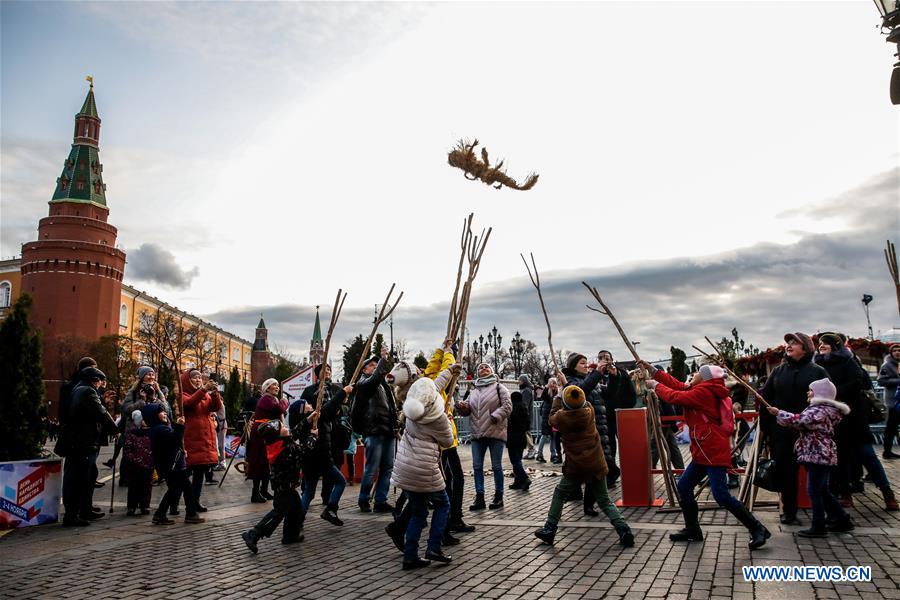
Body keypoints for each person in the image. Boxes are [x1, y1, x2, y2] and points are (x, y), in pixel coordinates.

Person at [642, 362, 771, 550]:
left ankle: (758, 529)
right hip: (703, 449)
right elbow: (678, 385)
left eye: (697, 373)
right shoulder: (702, 387)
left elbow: (675, 396)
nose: (693, 374)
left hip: (712, 449)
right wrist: (654, 371)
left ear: (705, 378)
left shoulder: (705, 392)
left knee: (721, 495)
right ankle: (693, 530)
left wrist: (655, 385)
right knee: (684, 486)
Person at [534, 384, 634, 547]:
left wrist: (558, 397)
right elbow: (577, 399)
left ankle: (550, 528)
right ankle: (624, 529)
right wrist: (567, 391)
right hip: (596, 464)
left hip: (576, 467)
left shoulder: (562, 418)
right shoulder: (589, 410)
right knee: (604, 500)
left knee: (560, 493)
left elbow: (552, 416)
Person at [814, 332, 898, 511]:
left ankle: (887, 492)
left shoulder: (849, 361)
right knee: (840, 458)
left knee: (867, 455)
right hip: (834, 417)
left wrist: (832, 393)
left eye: (825, 343)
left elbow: (859, 383)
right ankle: (845, 494)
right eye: (820, 343)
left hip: (854, 417)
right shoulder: (818, 364)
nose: (821, 346)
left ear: (835, 346)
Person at [767, 378, 853, 537]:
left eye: (811, 390)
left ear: (820, 393)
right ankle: (841, 519)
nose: (808, 392)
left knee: (814, 490)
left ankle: (818, 525)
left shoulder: (818, 410)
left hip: (816, 453)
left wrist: (779, 413)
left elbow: (799, 420)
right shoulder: (825, 409)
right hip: (821, 453)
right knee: (822, 489)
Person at [759, 332, 828, 525]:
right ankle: (789, 512)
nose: (789, 345)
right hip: (781, 433)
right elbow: (767, 399)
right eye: (788, 343)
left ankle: (831, 515)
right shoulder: (778, 372)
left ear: (805, 348)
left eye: (794, 343)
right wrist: (765, 429)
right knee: (786, 473)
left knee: (816, 477)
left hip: (809, 433)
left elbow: (828, 401)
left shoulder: (817, 372)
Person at [391, 370, 456, 570]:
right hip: (425, 468)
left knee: (418, 512)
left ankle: (410, 556)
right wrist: (448, 418)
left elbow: (431, 387)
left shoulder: (413, 408)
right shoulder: (439, 419)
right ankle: (434, 547)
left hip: (405, 466)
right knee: (443, 504)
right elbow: (447, 441)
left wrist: (450, 372)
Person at [296, 364, 353, 526]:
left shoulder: (335, 388)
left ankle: (298, 521)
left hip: (332, 438)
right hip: (319, 442)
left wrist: (340, 408)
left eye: (329, 370)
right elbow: (323, 412)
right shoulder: (309, 392)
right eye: (323, 370)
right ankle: (327, 509)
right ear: (317, 374)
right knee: (331, 480)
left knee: (321, 482)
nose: (327, 372)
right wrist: (340, 397)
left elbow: (344, 408)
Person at [61, 367, 118, 526]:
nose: (102, 384)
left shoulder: (78, 388)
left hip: (77, 440)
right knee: (80, 478)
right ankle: (72, 515)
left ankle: (83, 510)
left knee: (84, 475)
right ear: (95, 379)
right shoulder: (88, 391)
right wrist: (115, 429)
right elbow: (100, 412)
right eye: (101, 381)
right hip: (83, 441)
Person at [560, 353, 615, 516]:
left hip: (599, 428)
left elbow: (610, 393)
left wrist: (614, 377)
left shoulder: (592, 379)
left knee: (597, 469)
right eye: (582, 363)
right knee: (588, 469)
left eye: (586, 363)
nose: (586, 365)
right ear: (573, 366)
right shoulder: (570, 381)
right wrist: (597, 373)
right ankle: (574, 499)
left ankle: (589, 503)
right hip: (584, 432)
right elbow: (580, 391)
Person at [241, 420, 307, 553]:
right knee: (278, 513)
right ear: (278, 435)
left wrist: (308, 420)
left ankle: (290, 535)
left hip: (286, 486)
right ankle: (254, 533)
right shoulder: (285, 448)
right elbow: (303, 452)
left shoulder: (281, 442)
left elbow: (293, 432)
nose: (285, 426)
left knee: (296, 509)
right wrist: (312, 437)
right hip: (284, 487)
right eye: (282, 427)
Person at [456, 362, 512, 511]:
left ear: (491, 370)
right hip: (477, 433)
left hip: (495, 432)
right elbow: (468, 410)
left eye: (487, 366)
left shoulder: (500, 387)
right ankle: (479, 497)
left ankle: (498, 497)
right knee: (477, 466)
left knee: (496, 466)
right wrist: (462, 407)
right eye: (480, 367)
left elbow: (507, 406)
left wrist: (495, 416)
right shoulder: (474, 390)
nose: (483, 369)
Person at [352, 345, 399, 513]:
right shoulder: (364, 383)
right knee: (372, 468)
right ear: (364, 369)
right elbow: (374, 379)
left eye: (376, 364)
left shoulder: (384, 386)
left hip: (388, 431)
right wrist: (384, 359)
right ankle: (364, 499)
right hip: (374, 431)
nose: (375, 367)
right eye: (372, 365)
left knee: (388, 468)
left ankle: (380, 500)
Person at [144, 403, 204, 525]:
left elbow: (172, 444)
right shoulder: (160, 429)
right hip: (173, 465)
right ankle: (191, 514)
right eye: (161, 412)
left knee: (174, 490)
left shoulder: (158, 428)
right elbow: (175, 440)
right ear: (153, 415)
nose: (165, 413)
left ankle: (160, 514)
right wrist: (180, 426)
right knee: (186, 488)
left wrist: (182, 450)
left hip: (170, 465)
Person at [180, 370, 223, 511]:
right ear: (187, 380)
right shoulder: (183, 394)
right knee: (182, 477)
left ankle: (195, 501)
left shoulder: (205, 395)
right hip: (191, 438)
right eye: (194, 378)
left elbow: (216, 407)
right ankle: (171, 504)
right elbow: (189, 404)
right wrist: (204, 389)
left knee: (199, 474)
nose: (198, 380)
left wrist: (215, 393)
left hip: (204, 438)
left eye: (200, 377)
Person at [597, 350, 637, 486]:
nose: (604, 360)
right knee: (609, 447)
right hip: (606, 417)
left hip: (621, 414)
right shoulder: (597, 374)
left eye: (606, 358)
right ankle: (610, 475)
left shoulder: (620, 373)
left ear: (612, 359)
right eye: (601, 358)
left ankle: (632, 472)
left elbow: (631, 395)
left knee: (627, 445)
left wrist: (624, 408)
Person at [246, 378, 288, 503]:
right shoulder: (265, 399)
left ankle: (264, 490)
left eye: (277, 385)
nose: (277, 387)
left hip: (267, 432)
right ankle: (255, 493)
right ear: (267, 388)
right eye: (274, 385)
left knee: (266, 461)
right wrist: (285, 402)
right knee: (259, 462)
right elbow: (279, 409)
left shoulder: (272, 399)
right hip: (260, 434)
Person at [123, 409, 153, 516]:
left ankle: (144, 505)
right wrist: (134, 460)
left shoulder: (150, 432)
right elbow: (127, 449)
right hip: (134, 466)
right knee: (134, 486)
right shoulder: (132, 433)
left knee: (146, 486)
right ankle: (132, 506)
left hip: (148, 464)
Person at [878, 343, 900, 459]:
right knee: (891, 428)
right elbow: (881, 381)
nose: (897, 352)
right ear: (891, 353)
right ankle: (887, 451)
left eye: (899, 350)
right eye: (895, 350)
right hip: (893, 402)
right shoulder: (887, 365)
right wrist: (898, 381)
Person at [507, 391, 532, 491]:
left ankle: (525, 478)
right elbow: (527, 425)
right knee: (518, 460)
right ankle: (517, 482)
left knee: (515, 461)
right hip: (522, 437)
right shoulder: (524, 408)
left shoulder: (511, 409)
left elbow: (509, 424)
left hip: (512, 437)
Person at [535, 377, 560, 463]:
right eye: (551, 382)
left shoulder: (557, 391)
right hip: (546, 416)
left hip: (553, 415)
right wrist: (546, 387)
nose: (553, 384)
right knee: (544, 435)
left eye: (554, 382)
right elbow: (542, 396)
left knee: (553, 435)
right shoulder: (547, 392)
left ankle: (553, 454)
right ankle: (539, 454)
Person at [518, 374, 536, 459]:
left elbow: (525, 404)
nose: (519, 382)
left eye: (520, 380)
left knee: (526, 433)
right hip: (525, 414)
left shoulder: (526, 391)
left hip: (525, 415)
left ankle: (531, 449)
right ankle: (530, 450)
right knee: (526, 432)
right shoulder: (526, 390)